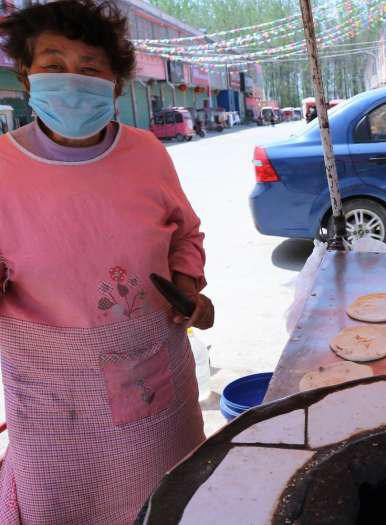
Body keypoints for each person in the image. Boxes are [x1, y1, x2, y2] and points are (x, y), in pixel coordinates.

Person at [0, 1, 214, 523]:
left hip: (153, 377)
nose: (72, 80)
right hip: (53, 398)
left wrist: (187, 285)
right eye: (53, 64)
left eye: (90, 67)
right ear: (27, 74)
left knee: (170, 497)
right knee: (63, 506)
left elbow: (185, 231)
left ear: (114, 81)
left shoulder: (146, 152)